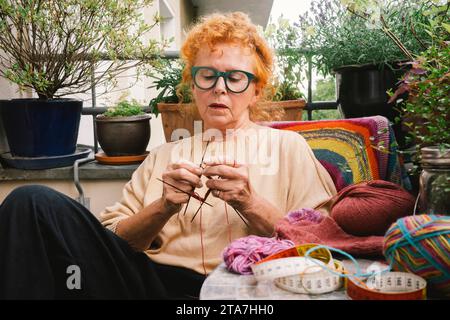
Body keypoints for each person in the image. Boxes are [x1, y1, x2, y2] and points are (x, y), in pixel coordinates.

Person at [0, 12, 336, 299]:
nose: (219, 88)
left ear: (256, 90)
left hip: (249, 287)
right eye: (208, 76)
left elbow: (323, 242)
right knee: (30, 201)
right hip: (152, 286)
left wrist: (249, 202)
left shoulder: (288, 149)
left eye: (235, 78)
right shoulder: (163, 156)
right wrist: (164, 207)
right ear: (193, 85)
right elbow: (112, 241)